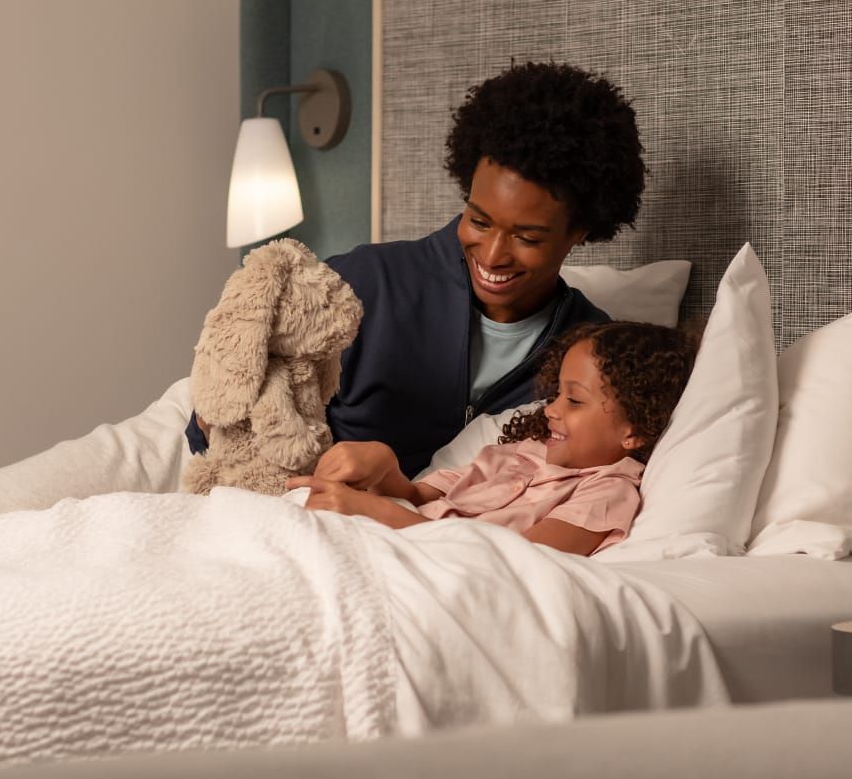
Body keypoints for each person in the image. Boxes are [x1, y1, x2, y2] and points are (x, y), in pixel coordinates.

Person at [186, 62, 649, 479]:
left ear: (580, 232)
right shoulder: (361, 285)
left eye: (527, 238)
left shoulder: (595, 352)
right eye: (479, 221)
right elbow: (215, 426)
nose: (492, 255)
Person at [295, 321, 699, 557]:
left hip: (434, 565)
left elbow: (515, 562)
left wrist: (381, 516)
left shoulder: (607, 492)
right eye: (556, 394)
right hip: (395, 539)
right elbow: (418, 497)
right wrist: (383, 465)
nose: (551, 410)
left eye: (574, 400)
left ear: (635, 431)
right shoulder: (517, 455)